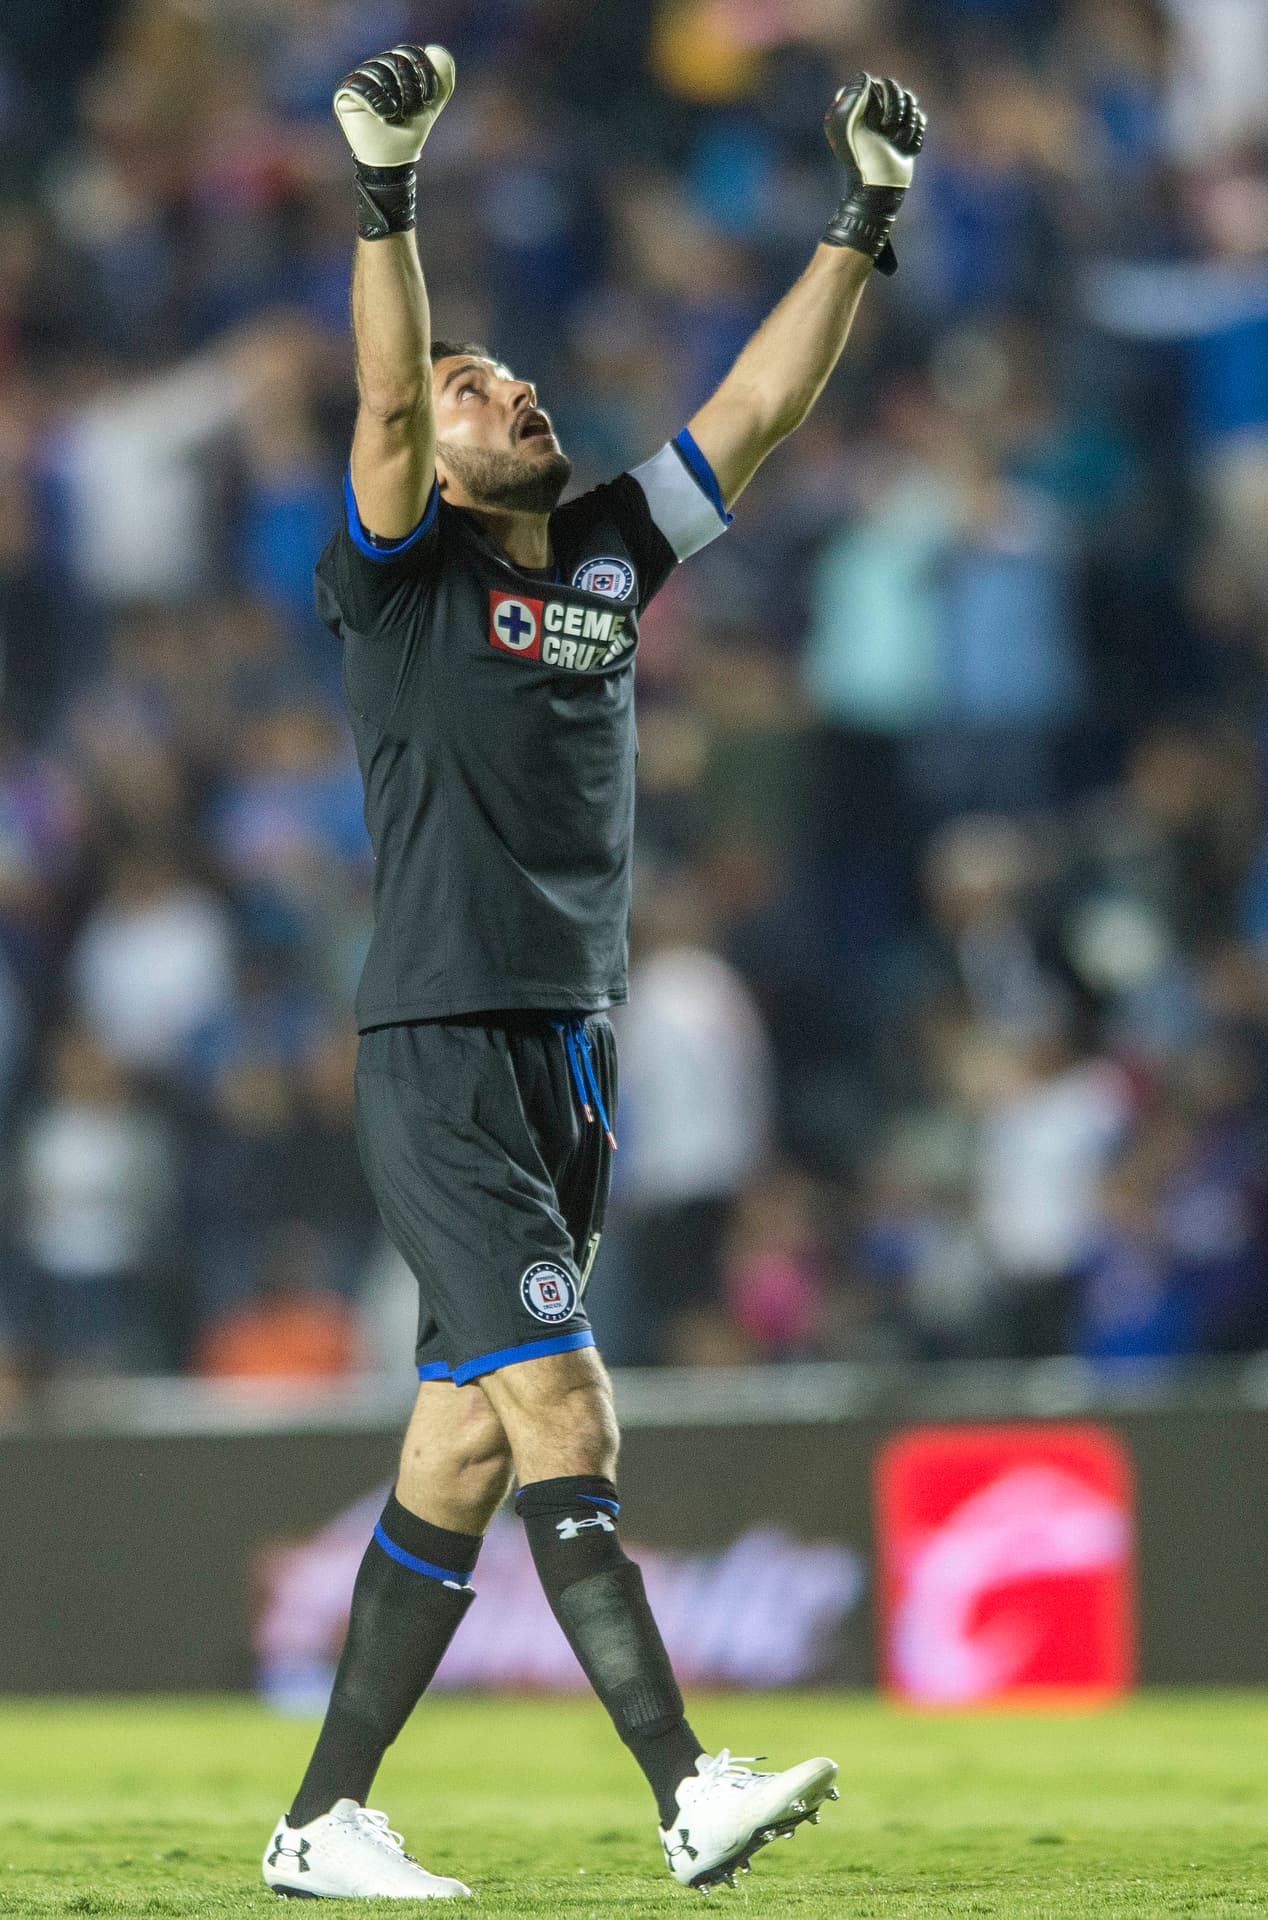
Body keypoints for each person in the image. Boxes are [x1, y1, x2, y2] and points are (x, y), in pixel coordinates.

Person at [262, 41, 925, 1900]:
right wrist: (385, 192)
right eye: (478, 388)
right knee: (570, 1409)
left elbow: (760, 407)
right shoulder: (399, 578)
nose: (511, 392)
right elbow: (383, 402)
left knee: (463, 1455)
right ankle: (687, 1787)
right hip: (444, 1045)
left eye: (514, 375)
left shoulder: (612, 553)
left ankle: (320, 1821)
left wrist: (862, 217)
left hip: (572, 1047)